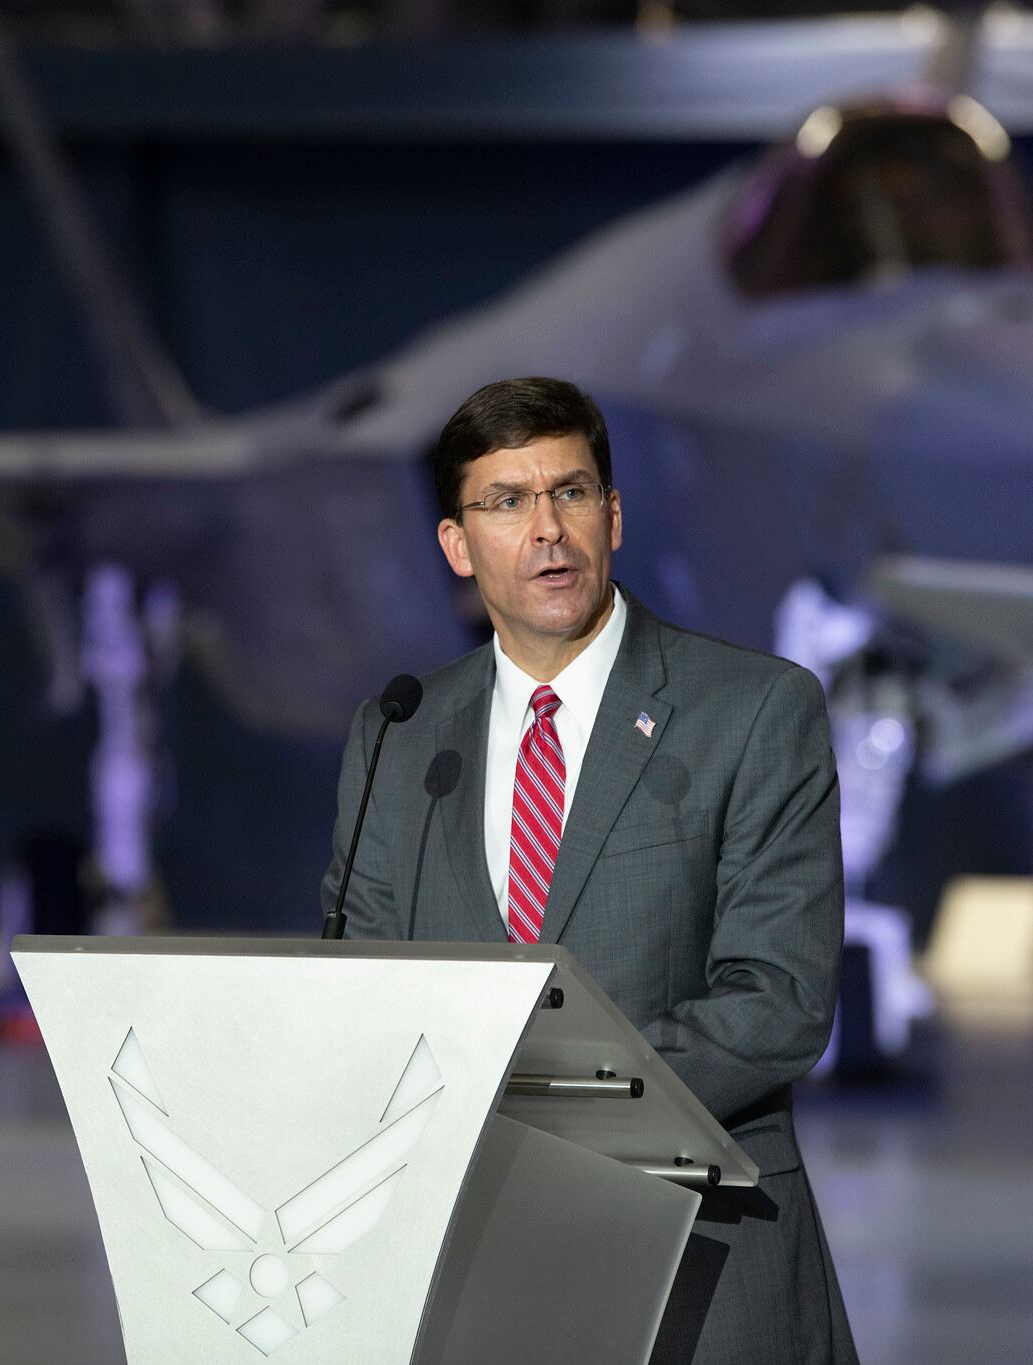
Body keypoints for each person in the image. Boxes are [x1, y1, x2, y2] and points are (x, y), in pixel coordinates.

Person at [321, 377, 857, 1364]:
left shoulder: (750, 710)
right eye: (506, 502)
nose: (545, 532)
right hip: (460, 1274)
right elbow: (363, 991)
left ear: (611, 519)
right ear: (454, 544)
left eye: (568, 494)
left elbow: (776, 1003)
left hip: (698, 1272)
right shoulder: (396, 734)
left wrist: (520, 1099)